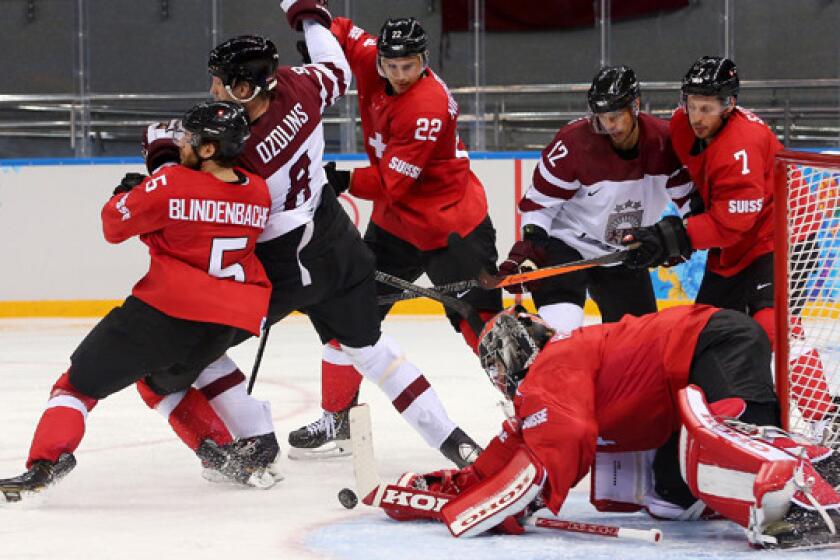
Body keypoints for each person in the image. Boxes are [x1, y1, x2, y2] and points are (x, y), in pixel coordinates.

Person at [163, 1, 481, 473]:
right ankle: (456, 443)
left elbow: (191, 187)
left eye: (222, 81)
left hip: (280, 270)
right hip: (339, 247)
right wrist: (310, 17)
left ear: (247, 87)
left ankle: (253, 437)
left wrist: (159, 163)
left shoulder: (238, 154)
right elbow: (336, 67)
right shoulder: (300, 86)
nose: (213, 89)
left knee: (183, 355)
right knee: (372, 350)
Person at [364, 305, 840, 548]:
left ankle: (812, 499)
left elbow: (567, 435)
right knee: (669, 501)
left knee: (723, 453)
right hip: (696, 362)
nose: (501, 381)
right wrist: (450, 489)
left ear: (514, 358)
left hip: (713, 345)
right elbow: (512, 449)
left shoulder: (553, 366)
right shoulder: (556, 367)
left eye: (500, 369)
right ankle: (801, 474)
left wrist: (522, 499)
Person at [0, 101, 275, 501]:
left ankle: (46, 463)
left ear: (210, 149)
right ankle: (222, 453)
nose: (183, 145)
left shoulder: (173, 183)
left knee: (75, 387)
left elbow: (114, 225)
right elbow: (201, 224)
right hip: (223, 326)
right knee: (156, 385)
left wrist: (129, 194)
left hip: (164, 314)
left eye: (191, 139)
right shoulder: (258, 191)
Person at [284, 15, 503, 459]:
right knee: (348, 314)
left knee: (478, 322)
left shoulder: (428, 107)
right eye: (393, 65)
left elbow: (393, 182)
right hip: (395, 225)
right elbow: (340, 28)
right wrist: (312, 21)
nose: (400, 74)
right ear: (380, 60)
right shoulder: (371, 62)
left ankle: (530, 405)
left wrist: (338, 179)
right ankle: (338, 420)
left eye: (410, 65)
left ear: (424, 61)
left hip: (451, 225)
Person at [622, 55, 832, 423]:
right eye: (692, 105)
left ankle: (824, 422)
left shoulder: (743, 144)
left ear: (729, 105)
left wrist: (677, 236)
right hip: (736, 247)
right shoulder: (684, 127)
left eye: (707, 108)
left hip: (784, 238)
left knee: (773, 326)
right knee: (707, 327)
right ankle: (727, 414)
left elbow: (736, 219)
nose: (697, 116)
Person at [500, 65, 693, 334]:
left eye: (615, 116)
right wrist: (532, 246)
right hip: (567, 244)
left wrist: (686, 237)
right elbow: (540, 203)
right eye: (601, 117)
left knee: (639, 340)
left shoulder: (664, 143)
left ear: (635, 106)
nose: (608, 125)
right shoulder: (573, 144)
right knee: (561, 327)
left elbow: (690, 204)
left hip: (625, 251)